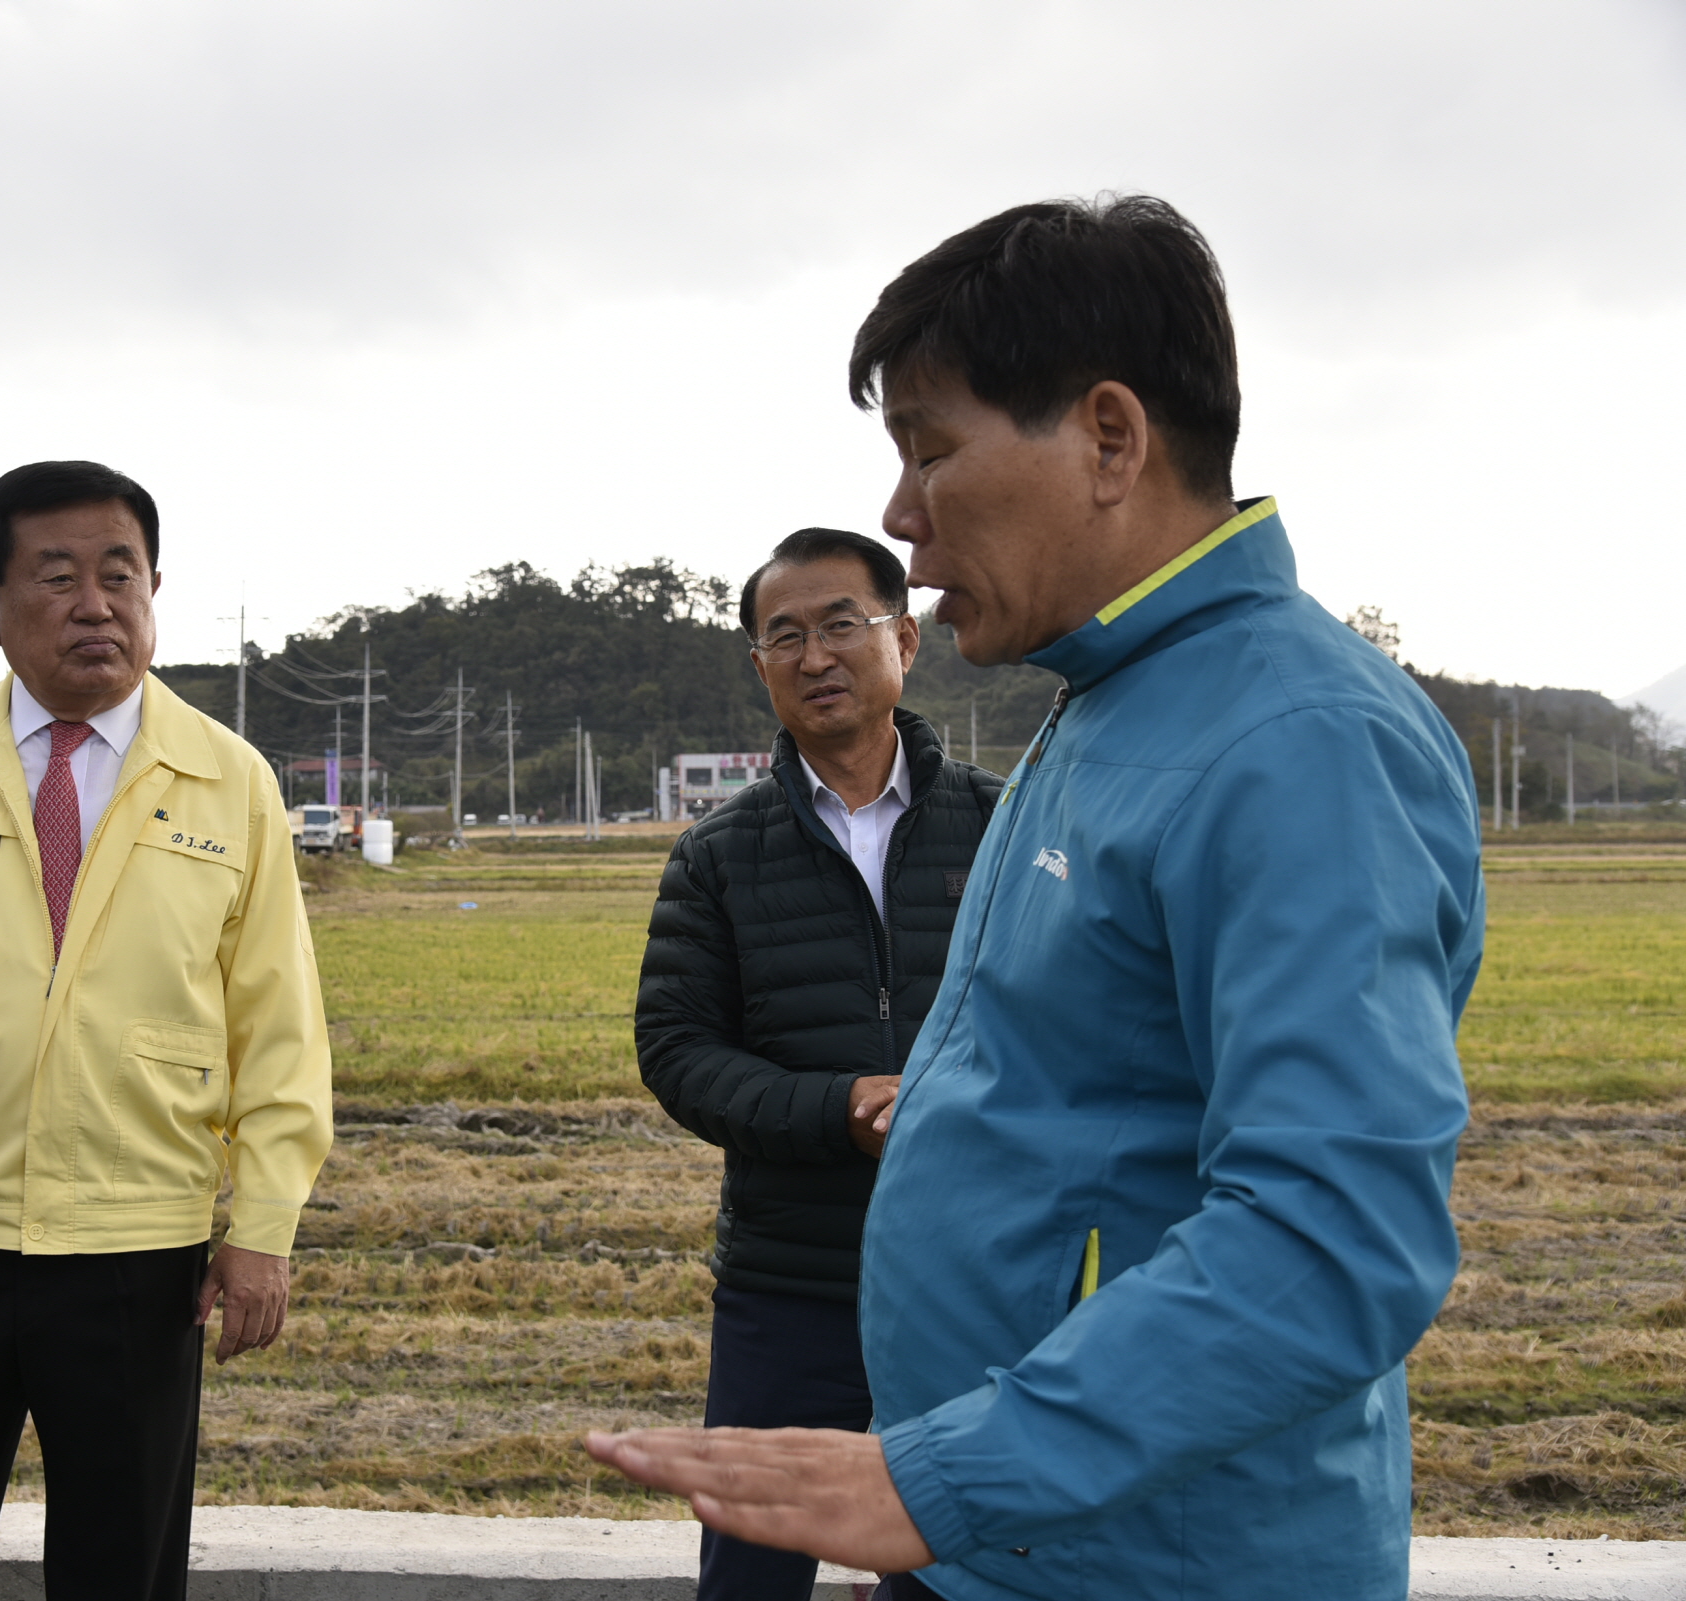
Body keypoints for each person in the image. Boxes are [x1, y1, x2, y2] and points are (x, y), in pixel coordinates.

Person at [591, 195, 1484, 1601]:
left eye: (932, 450)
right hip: (1011, 1528)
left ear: (1110, 439)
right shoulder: (1114, 699)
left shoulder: (1295, 743)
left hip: (1146, 1559)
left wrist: (941, 1476)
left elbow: (1333, 1239)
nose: (901, 516)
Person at [0, 460, 333, 1601]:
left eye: (120, 574)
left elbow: (279, 1018)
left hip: (138, 1246)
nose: (98, 603)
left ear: (153, 587)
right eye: (59, 577)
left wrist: (267, 1222)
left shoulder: (227, 777)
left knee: (119, 1570)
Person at [636, 527, 999, 1600]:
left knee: (957, 1562)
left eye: (841, 622)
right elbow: (679, 1051)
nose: (814, 655)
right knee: (753, 1558)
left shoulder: (1003, 825)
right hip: (790, 1275)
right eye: (782, 636)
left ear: (906, 639)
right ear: (760, 668)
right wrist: (834, 1106)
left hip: (971, 1268)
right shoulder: (719, 852)